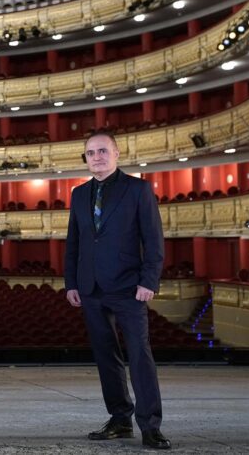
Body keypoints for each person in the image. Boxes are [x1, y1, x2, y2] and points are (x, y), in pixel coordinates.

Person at [64, 130, 170, 450]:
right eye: (91, 152)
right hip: (91, 287)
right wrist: (72, 282)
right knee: (106, 357)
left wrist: (149, 281)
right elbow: (75, 242)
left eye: (102, 151)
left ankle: (150, 425)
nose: (96, 157)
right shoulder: (79, 194)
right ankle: (120, 419)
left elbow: (153, 240)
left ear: (116, 154)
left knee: (139, 355)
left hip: (128, 287)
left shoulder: (138, 189)